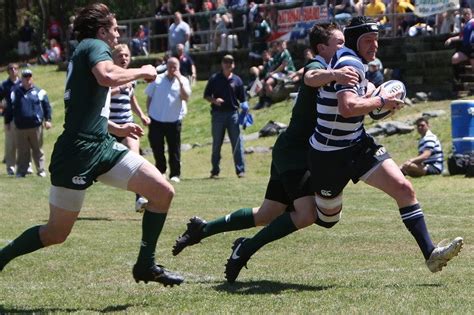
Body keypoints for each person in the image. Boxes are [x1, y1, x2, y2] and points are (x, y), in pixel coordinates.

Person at [0, 3, 184, 287]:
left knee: (162, 192)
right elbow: (107, 77)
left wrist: (116, 128)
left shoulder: (84, 50)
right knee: (55, 233)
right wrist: (142, 70)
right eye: (114, 28)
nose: (118, 33)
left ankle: (145, 265)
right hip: (77, 153)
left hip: (102, 146)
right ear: (101, 31)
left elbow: (87, 107)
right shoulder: (95, 47)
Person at [172, 24, 358, 284]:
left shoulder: (342, 73)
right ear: (321, 48)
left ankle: (203, 228)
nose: (344, 47)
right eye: (338, 43)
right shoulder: (319, 67)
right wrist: (336, 73)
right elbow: (309, 77)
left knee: (266, 214)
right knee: (306, 214)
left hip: (292, 151)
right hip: (294, 152)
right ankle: (245, 249)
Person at [306, 16, 462, 277]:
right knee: (327, 219)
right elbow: (347, 108)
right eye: (368, 40)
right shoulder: (349, 61)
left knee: (404, 188)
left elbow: (357, 103)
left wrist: (380, 101)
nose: (374, 46)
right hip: (328, 155)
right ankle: (289, 208)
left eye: (376, 40)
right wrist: (380, 100)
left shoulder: (358, 62)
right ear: (355, 41)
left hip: (356, 145)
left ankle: (431, 254)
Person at [109, 44, 151, 211]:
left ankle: (139, 198)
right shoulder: (109, 74)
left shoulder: (131, 77)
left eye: (126, 55)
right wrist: (119, 88)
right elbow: (102, 95)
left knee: (136, 160)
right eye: (120, 55)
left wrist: (141, 115)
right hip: (110, 127)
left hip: (128, 124)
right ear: (113, 58)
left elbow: (131, 99)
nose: (124, 58)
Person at [145, 57, 191, 183]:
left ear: (178, 67)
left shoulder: (183, 81)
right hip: (156, 119)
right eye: (170, 66)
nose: (172, 69)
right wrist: (148, 113)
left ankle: (175, 174)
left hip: (174, 120)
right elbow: (149, 97)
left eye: (174, 67)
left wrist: (180, 82)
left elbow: (185, 97)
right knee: (157, 147)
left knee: (174, 148)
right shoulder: (157, 79)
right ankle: (161, 171)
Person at [203, 54, 247, 179]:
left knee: (237, 144)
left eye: (230, 62)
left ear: (233, 64)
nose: (228, 64)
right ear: (222, 64)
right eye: (226, 62)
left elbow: (243, 99)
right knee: (217, 144)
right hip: (218, 115)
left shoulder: (237, 80)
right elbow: (206, 95)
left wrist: (245, 108)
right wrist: (215, 100)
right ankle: (215, 171)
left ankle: (240, 171)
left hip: (233, 115)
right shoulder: (215, 78)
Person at [4, 69, 52, 178]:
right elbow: (9, 109)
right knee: (22, 151)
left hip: (35, 126)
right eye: (25, 77)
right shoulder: (15, 92)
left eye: (29, 77)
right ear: (22, 79)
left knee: (37, 149)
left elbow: (46, 106)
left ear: (32, 78)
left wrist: (48, 120)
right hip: (20, 127)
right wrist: (7, 122)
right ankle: (21, 171)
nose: (28, 79)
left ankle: (41, 170)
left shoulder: (39, 92)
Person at [255, 40, 296, 109]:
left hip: (287, 73)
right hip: (279, 73)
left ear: (285, 44)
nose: (281, 46)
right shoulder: (278, 55)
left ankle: (270, 100)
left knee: (268, 82)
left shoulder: (286, 53)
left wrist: (273, 73)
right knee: (261, 82)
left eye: (283, 44)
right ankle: (261, 100)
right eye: (279, 44)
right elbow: (273, 66)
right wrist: (269, 73)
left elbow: (283, 66)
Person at [0, 63, 20, 176]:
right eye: (11, 69)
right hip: (10, 118)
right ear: (8, 71)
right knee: (10, 145)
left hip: (23, 119)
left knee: (24, 144)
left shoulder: (23, 83)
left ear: (18, 70)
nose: (13, 70)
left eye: (15, 68)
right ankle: (11, 167)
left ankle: (26, 166)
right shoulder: (4, 85)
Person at [445, 8, 474, 79]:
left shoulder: (473, 22)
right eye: (465, 14)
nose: (466, 15)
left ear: (472, 14)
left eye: (468, 14)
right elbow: (461, 37)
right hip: (466, 48)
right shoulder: (465, 26)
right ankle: (457, 78)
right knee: (454, 59)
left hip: (473, 48)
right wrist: (451, 39)